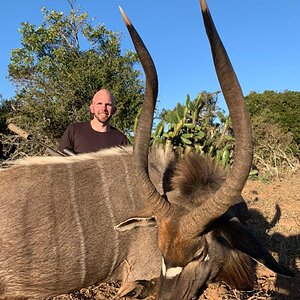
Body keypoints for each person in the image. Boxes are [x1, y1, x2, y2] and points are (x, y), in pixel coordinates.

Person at [58, 89, 130, 155]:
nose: (103, 108)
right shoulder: (73, 130)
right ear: (92, 108)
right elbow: (60, 161)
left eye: (108, 105)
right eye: (99, 103)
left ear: (114, 110)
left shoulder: (121, 140)